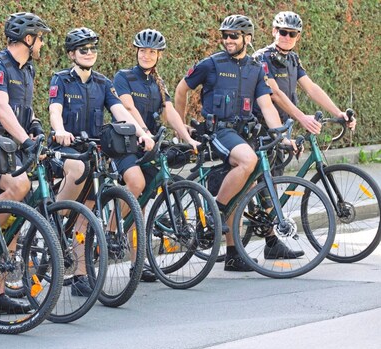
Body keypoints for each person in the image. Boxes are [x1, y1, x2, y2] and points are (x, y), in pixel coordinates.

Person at [174, 15, 298, 272]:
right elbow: (180, 90)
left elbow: (266, 105)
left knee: (247, 182)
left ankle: (232, 253)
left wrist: (281, 135)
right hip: (218, 131)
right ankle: (215, 212)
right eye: (225, 35)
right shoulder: (211, 64)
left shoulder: (255, 69)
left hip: (243, 134)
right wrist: (181, 125)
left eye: (234, 36)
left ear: (247, 39)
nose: (228, 40)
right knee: (249, 160)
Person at [49, 27, 154, 294]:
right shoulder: (60, 80)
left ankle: (81, 276)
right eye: (83, 49)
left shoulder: (103, 83)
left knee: (88, 211)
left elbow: (121, 112)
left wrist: (141, 133)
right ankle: (52, 217)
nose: (89, 53)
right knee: (74, 189)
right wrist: (60, 130)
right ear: (72, 53)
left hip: (93, 150)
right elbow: (55, 110)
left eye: (92, 49)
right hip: (68, 151)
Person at [0, 12, 51, 314]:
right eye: (40, 38)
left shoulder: (27, 69)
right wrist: (27, 141)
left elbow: (23, 111)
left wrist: (36, 127)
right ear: (28, 39)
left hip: (12, 145)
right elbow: (0, 108)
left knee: (16, 217)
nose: (42, 44)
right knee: (19, 187)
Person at [113, 29, 201, 282]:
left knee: (140, 205)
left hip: (150, 145)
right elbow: (127, 107)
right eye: (143, 51)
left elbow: (170, 112)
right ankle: (111, 230)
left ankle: (136, 264)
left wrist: (187, 137)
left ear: (159, 55)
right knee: (136, 184)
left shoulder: (158, 83)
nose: (147, 55)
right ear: (137, 52)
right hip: (126, 143)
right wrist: (143, 133)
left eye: (152, 52)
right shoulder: (124, 77)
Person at [253, 11, 356, 146]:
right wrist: (302, 117)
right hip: (261, 125)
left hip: (283, 124)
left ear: (298, 36)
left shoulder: (293, 58)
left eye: (293, 33)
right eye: (283, 32)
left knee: (279, 167)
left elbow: (311, 88)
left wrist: (338, 113)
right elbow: (275, 93)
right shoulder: (261, 58)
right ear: (274, 31)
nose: (287, 37)